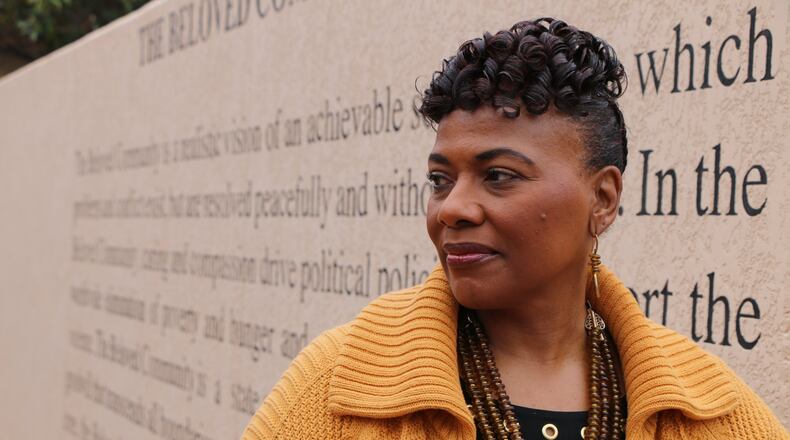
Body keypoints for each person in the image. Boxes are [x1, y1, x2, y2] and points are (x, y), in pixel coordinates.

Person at [240, 17, 788, 440]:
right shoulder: (339, 386)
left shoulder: (707, 411)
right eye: (440, 179)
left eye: (498, 176)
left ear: (603, 198)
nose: (452, 208)